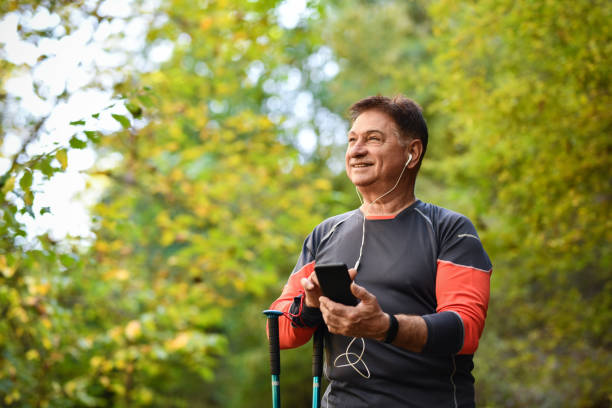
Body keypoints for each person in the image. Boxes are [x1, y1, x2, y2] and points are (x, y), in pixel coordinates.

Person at [269, 95, 492, 407]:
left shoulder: (451, 230)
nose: (356, 150)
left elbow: (464, 330)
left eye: (373, 139)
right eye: (352, 140)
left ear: (412, 153)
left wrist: (386, 328)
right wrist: (308, 307)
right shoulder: (325, 234)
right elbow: (276, 330)